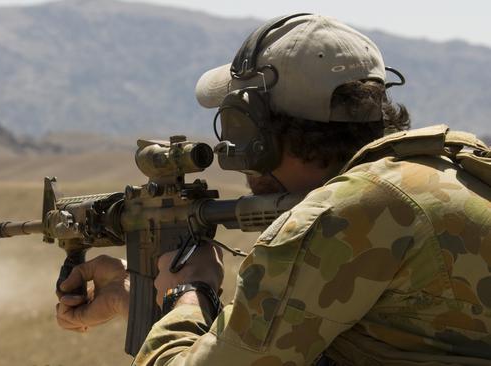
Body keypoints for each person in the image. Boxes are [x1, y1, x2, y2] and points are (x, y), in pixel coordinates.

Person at [56, 14, 491, 365]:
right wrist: (139, 302)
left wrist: (188, 292)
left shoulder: (346, 215)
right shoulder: (449, 172)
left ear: (252, 128)